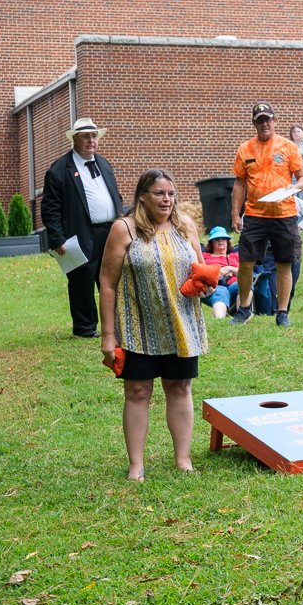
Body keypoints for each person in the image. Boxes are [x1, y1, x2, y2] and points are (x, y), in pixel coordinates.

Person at [98, 169, 209, 481]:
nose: (167, 199)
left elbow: (199, 270)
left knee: (180, 387)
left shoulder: (184, 224)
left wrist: (206, 284)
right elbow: (107, 283)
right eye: (160, 193)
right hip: (137, 327)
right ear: (142, 196)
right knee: (136, 391)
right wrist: (108, 335)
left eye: (171, 194)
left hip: (180, 323)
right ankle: (136, 465)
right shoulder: (124, 229)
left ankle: (183, 459)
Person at [41, 118, 125, 338]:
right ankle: (84, 327)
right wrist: (57, 238)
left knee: (112, 277)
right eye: (85, 136)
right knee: (82, 279)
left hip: (111, 231)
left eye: (94, 136)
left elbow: (115, 195)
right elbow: (50, 207)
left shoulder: (104, 163)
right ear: (74, 139)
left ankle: (115, 324)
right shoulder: (59, 169)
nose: (91, 140)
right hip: (79, 232)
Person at [229, 101, 303, 327]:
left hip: (284, 214)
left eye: (268, 119)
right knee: (246, 262)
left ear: (275, 120)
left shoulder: (288, 147)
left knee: (284, 263)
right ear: (254, 123)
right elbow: (239, 184)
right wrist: (236, 214)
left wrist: (295, 188)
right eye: (260, 120)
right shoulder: (245, 149)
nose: (265, 123)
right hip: (255, 214)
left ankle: (282, 312)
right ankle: (244, 309)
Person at [201, 226, 240, 319]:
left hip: (234, 285)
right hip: (214, 287)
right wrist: (219, 272)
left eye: (223, 239)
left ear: (227, 242)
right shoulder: (205, 257)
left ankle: (241, 315)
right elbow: (203, 274)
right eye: (217, 239)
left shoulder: (235, 256)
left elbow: (244, 273)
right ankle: (220, 320)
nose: (221, 241)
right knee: (221, 291)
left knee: (244, 284)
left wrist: (229, 268)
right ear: (211, 243)